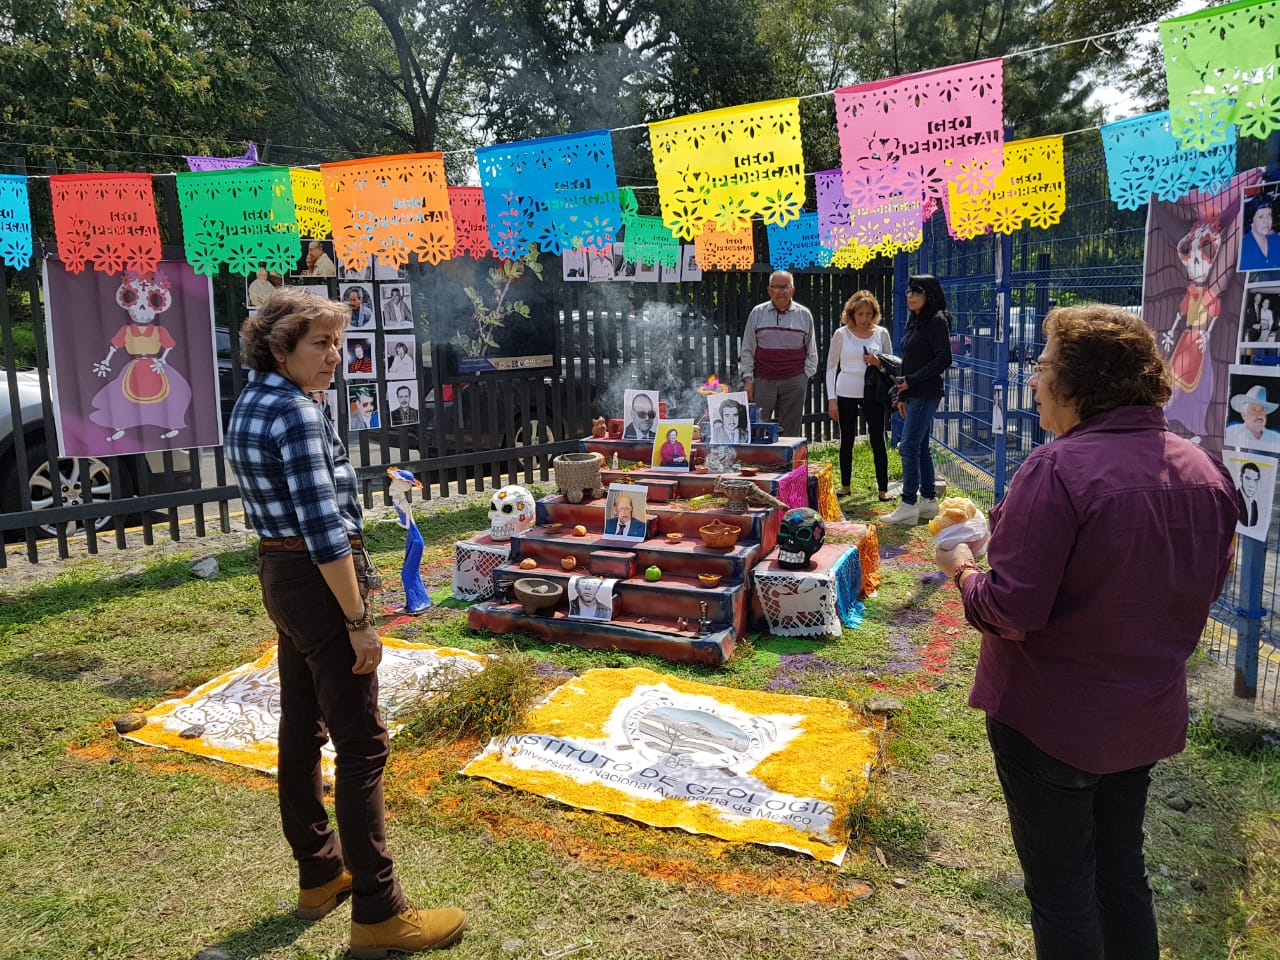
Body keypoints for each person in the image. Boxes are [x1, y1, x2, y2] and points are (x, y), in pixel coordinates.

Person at [934, 305, 1236, 960]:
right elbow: (1198, 589)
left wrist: (962, 572)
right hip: (1143, 715)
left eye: (1042, 368)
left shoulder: (1057, 470)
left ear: (1076, 383)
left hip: (1051, 721)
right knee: (1122, 873)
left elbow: (1012, 610)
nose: (1034, 381)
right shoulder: (1205, 474)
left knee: (1063, 890)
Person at [224, 288, 466, 956]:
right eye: (321, 344)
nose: (336, 356)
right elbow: (324, 531)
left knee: (302, 727)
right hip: (318, 578)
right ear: (280, 348)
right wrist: (359, 619)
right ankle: (380, 912)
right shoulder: (295, 415)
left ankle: (321, 873)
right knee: (362, 744)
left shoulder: (254, 400)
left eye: (338, 342)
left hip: (282, 576)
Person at [881, 275, 953, 524]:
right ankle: (929, 501)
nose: (910, 295)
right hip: (914, 392)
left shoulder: (936, 320)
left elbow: (944, 359)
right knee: (920, 447)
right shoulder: (916, 320)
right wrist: (903, 392)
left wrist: (912, 381)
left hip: (926, 392)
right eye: (909, 290)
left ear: (929, 295)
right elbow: (909, 359)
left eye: (916, 291)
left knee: (908, 446)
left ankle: (909, 503)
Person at [826, 289, 894, 500]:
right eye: (860, 314)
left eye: (868, 314)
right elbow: (830, 368)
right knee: (847, 439)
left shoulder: (881, 333)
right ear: (851, 314)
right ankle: (845, 485)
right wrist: (832, 400)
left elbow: (892, 365)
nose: (864, 318)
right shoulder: (841, 334)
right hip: (846, 390)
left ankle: (883, 489)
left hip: (873, 392)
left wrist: (878, 363)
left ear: (874, 313)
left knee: (877, 439)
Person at [739, 270, 818, 437]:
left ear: (792, 290)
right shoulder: (757, 313)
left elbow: (811, 349)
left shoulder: (804, 315)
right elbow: (747, 348)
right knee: (757, 428)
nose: (781, 291)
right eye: (776, 287)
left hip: (794, 381)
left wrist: (804, 376)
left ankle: (788, 463)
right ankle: (759, 463)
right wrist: (748, 379)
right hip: (763, 380)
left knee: (790, 431)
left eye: (785, 287)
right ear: (769, 290)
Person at [1224, 384, 1280, 452]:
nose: (1259, 415)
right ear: (1244, 415)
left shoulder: (1276, 438)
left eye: (1261, 410)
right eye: (1254, 410)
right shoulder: (1231, 432)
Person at [1239, 194, 1280, 271]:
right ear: (1251, 221)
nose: (1266, 221)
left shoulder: (1277, 240)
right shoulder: (1243, 248)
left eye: (1269, 215)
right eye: (1261, 216)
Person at [1237, 461, 1262, 529]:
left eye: (1255, 480)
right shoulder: (1235, 499)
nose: (1251, 485)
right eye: (1248, 479)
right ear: (1241, 478)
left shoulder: (1254, 503)